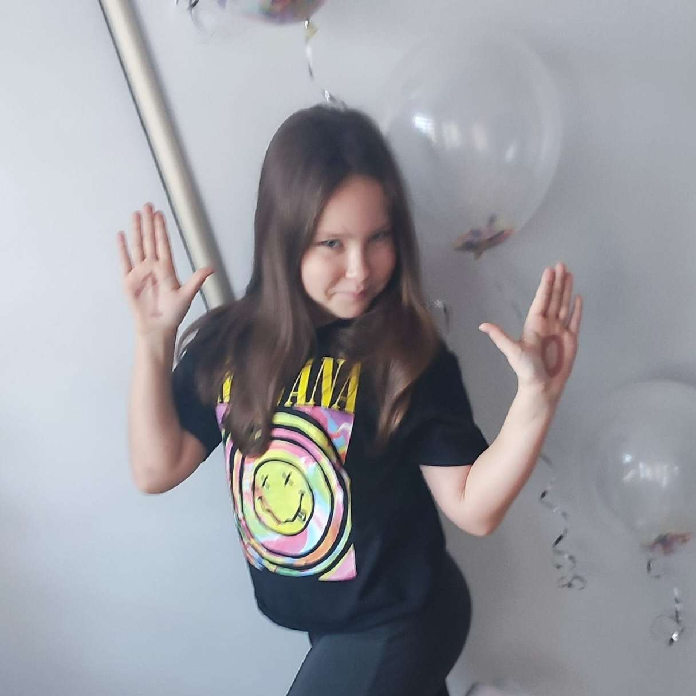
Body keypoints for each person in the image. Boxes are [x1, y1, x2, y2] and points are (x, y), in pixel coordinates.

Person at [116, 105, 582, 696]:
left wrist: (536, 402)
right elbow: (158, 468)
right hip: (331, 628)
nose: (360, 269)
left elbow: (473, 507)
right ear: (285, 240)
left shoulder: (404, 354)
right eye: (332, 243)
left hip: (405, 618)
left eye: (378, 238)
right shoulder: (231, 346)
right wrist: (153, 341)